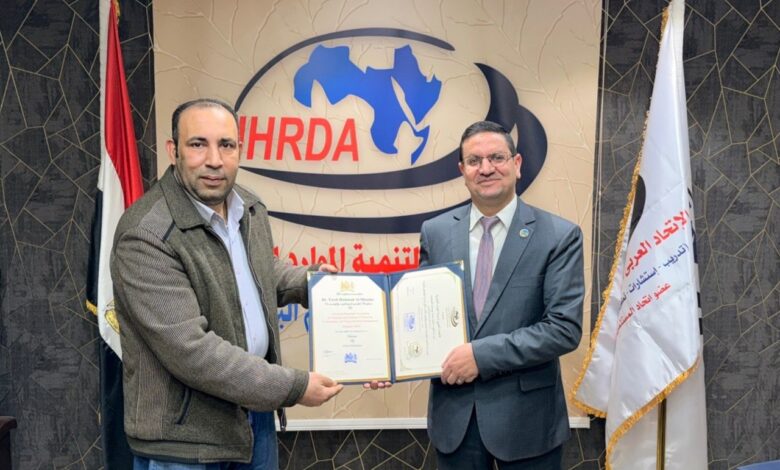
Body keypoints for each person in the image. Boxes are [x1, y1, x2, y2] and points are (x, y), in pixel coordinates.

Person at [111, 98, 343, 469]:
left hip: (252, 422)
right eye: (198, 144)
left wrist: (311, 283)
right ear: (173, 150)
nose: (214, 160)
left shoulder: (248, 208)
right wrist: (293, 387)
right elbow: (191, 351)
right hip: (185, 444)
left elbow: (257, 271)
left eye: (226, 145)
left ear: (239, 150)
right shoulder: (146, 235)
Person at [420, 121, 584, 469]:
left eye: (496, 157)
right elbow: (422, 317)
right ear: (462, 170)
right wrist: (388, 361)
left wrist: (480, 356)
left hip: (528, 422)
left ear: (517, 164)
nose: (486, 168)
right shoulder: (435, 233)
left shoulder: (559, 236)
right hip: (455, 420)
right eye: (474, 161)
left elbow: (563, 329)